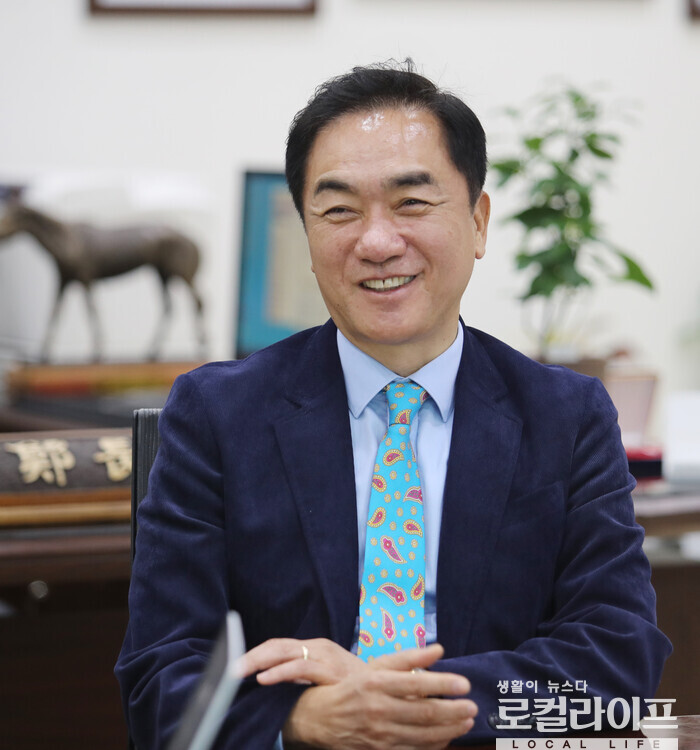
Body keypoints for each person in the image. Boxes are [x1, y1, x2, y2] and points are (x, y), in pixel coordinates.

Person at [116, 61, 671, 749]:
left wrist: (403, 705)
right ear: (307, 236)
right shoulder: (217, 415)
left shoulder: (567, 416)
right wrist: (303, 719)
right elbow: (160, 682)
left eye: (411, 203)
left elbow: (616, 665)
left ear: (478, 222)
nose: (377, 242)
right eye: (339, 210)